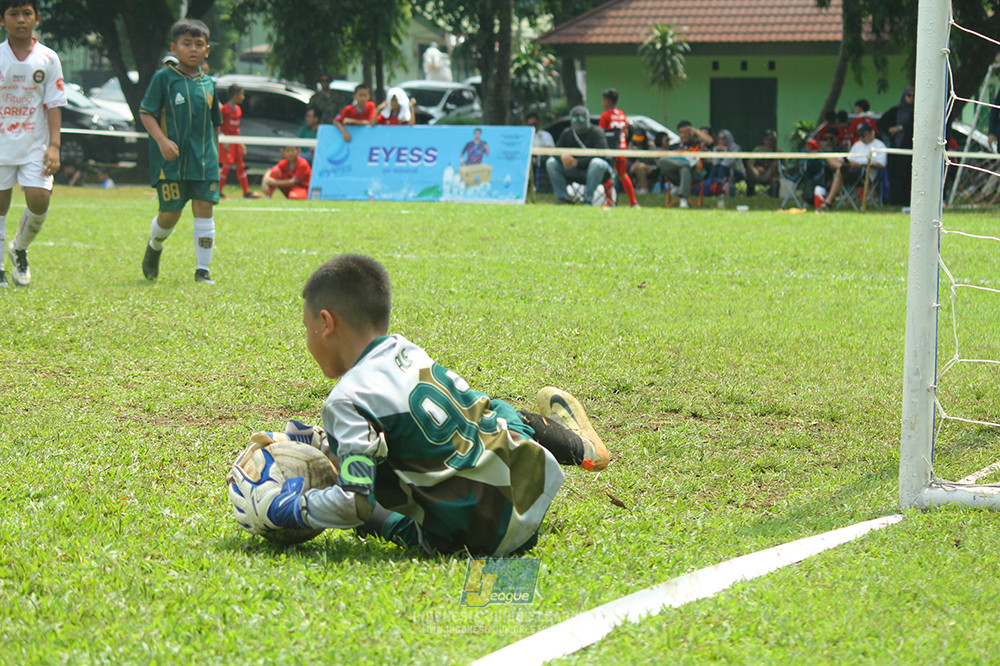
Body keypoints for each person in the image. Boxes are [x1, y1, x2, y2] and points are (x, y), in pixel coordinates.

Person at [228, 254, 611, 556]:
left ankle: (582, 447)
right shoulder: (405, 350)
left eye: (307, 326)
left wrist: (290, 508)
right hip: (527, 486)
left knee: (370, 514)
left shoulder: (345, 400)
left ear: (326, 323)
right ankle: (584, 448)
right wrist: (326, 443)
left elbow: (355, 502)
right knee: (496, 413)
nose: (308, 339)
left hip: (478, 538)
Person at [139, 18, 221, 285]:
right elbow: (146, 113)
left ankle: (203, 271)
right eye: (187, 44)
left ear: (207, 50)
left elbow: (215, 123)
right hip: (171, 163)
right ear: (175, 48)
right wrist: (162, 141)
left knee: (204, 208)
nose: (193, 49)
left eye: (199, 44)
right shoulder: (164, 79)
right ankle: (155, 244)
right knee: (169, 215)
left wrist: (214, 156)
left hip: (203, 162)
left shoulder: (209, 84)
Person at [0, 0, 66, 288]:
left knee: (39, 200)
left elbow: (54, 104)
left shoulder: (48, 58)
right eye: (13, 14)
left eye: (26, 13)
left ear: (37, 18)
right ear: (2, 20)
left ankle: (19, 247)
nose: (21, 20)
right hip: (2, 144)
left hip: (35, 146)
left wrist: (54, 146)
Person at [545, 105, 615, 205]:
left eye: (581, 117)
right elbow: (556, 150)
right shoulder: (567, 133)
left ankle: (588, 199)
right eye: (575, 118)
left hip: (596, 171)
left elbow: (602, 154)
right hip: (574, 170)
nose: (578, 121)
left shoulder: (597, 132)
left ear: (587, 118)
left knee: (597, 163)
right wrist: (562, 157)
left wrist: (578, 162)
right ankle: (563, 198)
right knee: (551, 163)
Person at [817, 123, 887, 211]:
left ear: (871, 133)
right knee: (830, 158)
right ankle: (841, 167)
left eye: (863, 134)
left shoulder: (879, 146)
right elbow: (850, 158)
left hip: (865, 173)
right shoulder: (857, 144)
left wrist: (860, 164)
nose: (860, 137)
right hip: (850, 169)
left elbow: (881, 164)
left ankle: (828, 202)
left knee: (839, 172)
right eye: (859, 135)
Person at [218, 84, 262, 199]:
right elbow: (218, 125)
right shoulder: (225, 109)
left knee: (240, 166)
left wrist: (240, 142)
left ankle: (246, 192)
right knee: (226, 166)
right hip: (227, 141)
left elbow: (236, 128)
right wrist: (222, 139)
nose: (243, 97)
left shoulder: (238, 110)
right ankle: (218, 192)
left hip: (235, 141)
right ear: (235, 95)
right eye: (242, 94)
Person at [598, 88, 639, 207]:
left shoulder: (605, 115)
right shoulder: (621, 114)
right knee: (623, 174)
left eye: (603, 100)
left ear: (607, 101)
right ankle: (633, 202)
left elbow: (601, 133)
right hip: (622, 149)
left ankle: (609, 202)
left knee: (606, 174)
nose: (602, 103)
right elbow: (625, 133)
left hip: (611, 149)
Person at [656, 120, 709, 208]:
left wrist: (695, 130)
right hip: (675, 175)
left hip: (694, 174)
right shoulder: (674, 146)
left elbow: (710, 141)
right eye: (681, 132)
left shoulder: (698, 144)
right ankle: (687, 164)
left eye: (686, 132)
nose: (684, 135)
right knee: (663, 160)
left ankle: (683, 199)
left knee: (684, 170)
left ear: (691, 132)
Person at [878, 86, 915, 206]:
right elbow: (882, 123)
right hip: (896, 148)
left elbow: (912, 126)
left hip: (911, 149)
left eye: (914, 96)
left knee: (910, 175)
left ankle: (908, 201)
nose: (912, 98)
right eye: (909, 95)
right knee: (895, 175)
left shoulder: (918, 112)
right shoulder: (896, 111)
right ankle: (895, 201)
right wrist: (890, 131)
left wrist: (900, 128)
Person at [703, 128, 741, 196]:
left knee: (721, 168)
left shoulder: (735, 147)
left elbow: (728, 162)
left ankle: (718, 189)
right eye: (719, 138)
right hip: (721, 170)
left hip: (736, 171)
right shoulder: (717, 148)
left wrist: (726, 151)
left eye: (723, 138)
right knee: (716, 167)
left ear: (728, 138)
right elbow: (715, 163)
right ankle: (711, 188)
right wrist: (716, 151)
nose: (721, 140)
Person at [745, 129, 780, 197]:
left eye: (771, 139)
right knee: (748, 165)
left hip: (770, 175)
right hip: (757, 173)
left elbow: (784, 167)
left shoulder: (779, 151)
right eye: (766, 138)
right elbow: (751, 162)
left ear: (775, 140)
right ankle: (750, 189)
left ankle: (771, 190)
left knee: (775, 164)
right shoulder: (758, 149)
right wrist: (757, 169)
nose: (768, 141)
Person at [526, 112, 554, 193]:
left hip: (541, 161)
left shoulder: (545, 135)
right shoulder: (525, 136)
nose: (533, 127)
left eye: (534, 124)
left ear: (538, 123)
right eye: (530, 124)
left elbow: (550, 149)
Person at [626, 126, 657, 194]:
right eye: (636, 138)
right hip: (634, 166)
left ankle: (644, 189)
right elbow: (629, 158)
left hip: (651, 166)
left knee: (638, 166)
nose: (638, 141)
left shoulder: (650, 145)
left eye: (640, 138)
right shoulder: (631, 145)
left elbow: (652, 159)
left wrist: (638, 154)